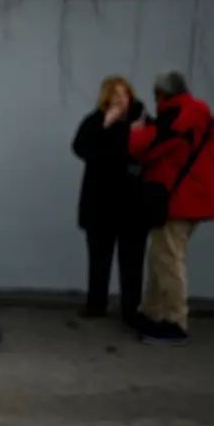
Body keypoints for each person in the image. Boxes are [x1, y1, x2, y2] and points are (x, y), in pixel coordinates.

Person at [128, 71, 214, 345]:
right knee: (161, 256)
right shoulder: (198, 113)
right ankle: (151, 312)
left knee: (168, 259)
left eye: (156, 96)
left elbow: (148, 146)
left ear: (162, 94)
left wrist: (137, 132)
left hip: (178, 200)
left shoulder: (180, 113)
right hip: (189, 197)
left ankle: (175, 322)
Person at [71, 76, 148, 326]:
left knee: (132, 260)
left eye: (123, 94)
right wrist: (104, 124)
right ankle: (96, 303)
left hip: (132, 203)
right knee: (98, 257)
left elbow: (153, 151)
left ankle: (131, 309)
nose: (119, 100)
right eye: (113, 95)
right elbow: (80, 147)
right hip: (100, 203)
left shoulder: (142, 121)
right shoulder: (96, 120)